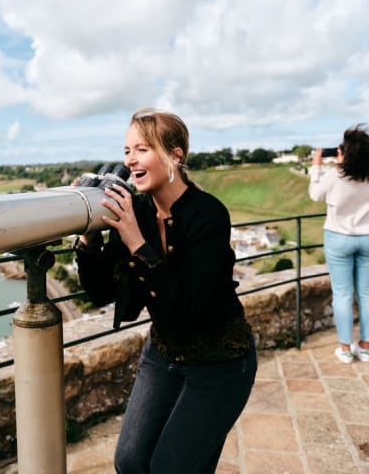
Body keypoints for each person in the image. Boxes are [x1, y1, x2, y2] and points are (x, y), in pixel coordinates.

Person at [74, 108, 257, 473]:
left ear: (176, 154)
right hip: (164, 352)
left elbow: (188, 312)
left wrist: (137, 243)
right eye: (127, 151)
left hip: (219, 362)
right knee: (130, 461)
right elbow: (101, 294)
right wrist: (89, 238)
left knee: (171, 467)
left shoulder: (208, 215)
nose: (130, 160)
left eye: (142, 149)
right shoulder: (136, 211)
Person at [309, 125, 369, 364]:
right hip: (367, 237)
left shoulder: (335, 175)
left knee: (342, 294)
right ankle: (365, 346)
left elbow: (315, 195)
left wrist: (317, 165)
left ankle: (345, 348)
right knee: (366, 293)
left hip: (338, 237)